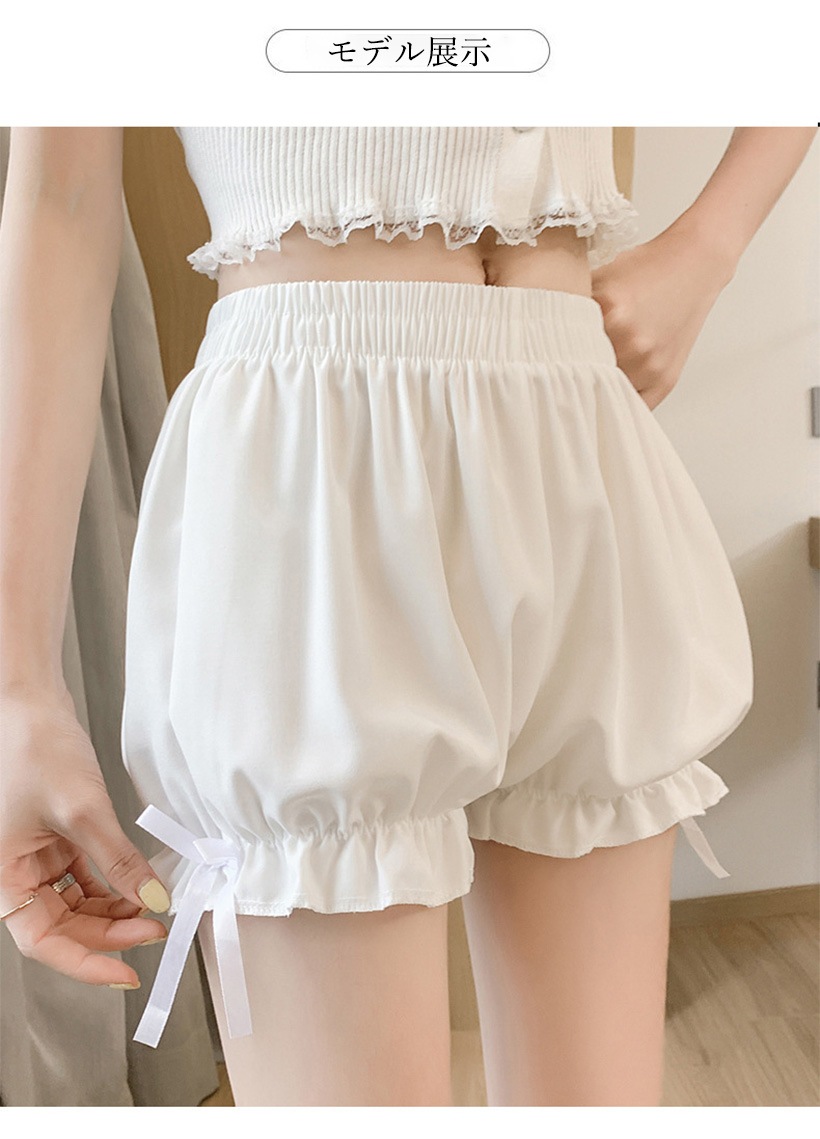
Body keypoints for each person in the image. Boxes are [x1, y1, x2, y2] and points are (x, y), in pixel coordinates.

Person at [0, 126, 815, 1108]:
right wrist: (18, 685)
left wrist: (709, 246)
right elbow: (60, 198)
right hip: (310, 452)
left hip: (574, 426)